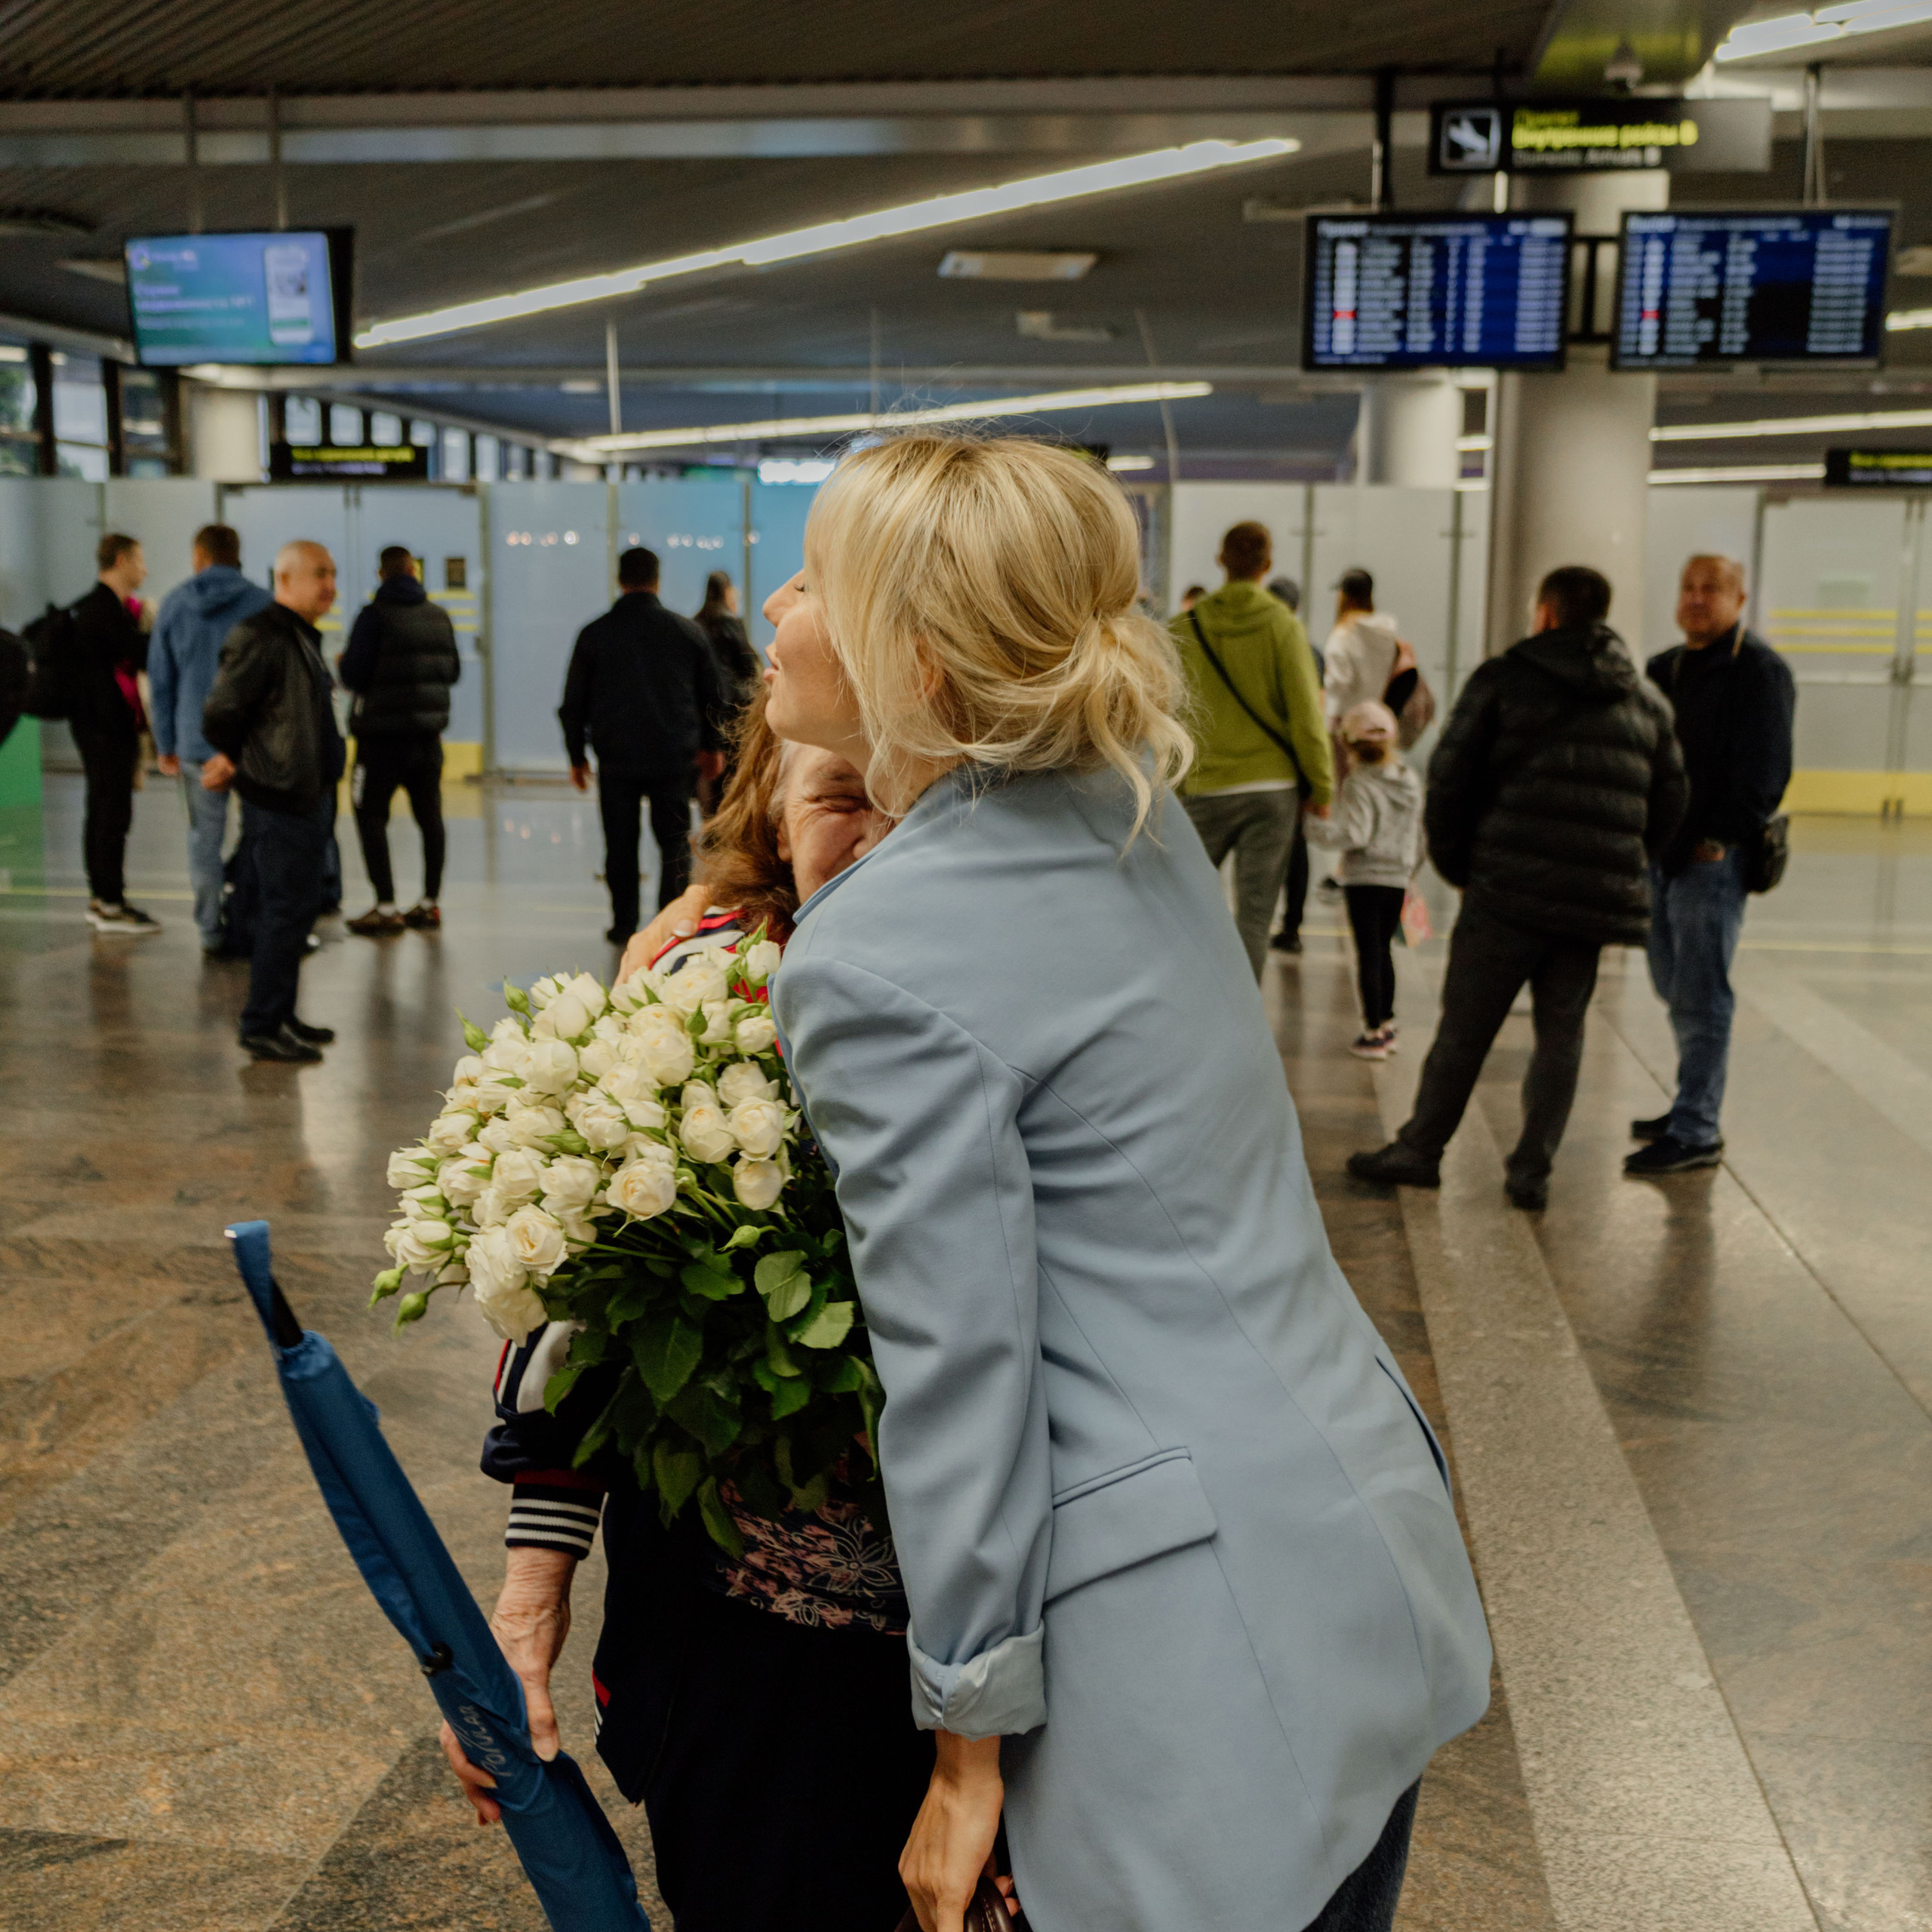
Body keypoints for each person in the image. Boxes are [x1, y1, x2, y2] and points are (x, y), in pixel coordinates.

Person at [764, 435, 1491, 1932]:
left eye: (813, 579)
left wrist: (964, 1742)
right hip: (1351, 1537)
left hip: (1187, 1653)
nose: (776, 604)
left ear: (916, 655)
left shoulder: (875, 953)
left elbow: (960, 1369)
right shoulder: (1128, 808)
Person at [441, 698, 930, 1932]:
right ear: (771, 807)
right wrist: (530, 1602)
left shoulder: (1025, 993)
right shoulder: (694, 982)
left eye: (923, 796)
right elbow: (579, 1322)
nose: (884, 837)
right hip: (749, 1645)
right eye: (841, 796)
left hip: (992, 1648)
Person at [1348, 566, 1687, 1213]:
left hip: (1506, 893)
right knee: (1563, 1034)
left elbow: (1451, 776)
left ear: (1547, 614)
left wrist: (1461, 865)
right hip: (1586, 905)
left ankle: (1421, 1150)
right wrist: (1620, 863)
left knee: (1465, 1028)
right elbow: (1672, 796)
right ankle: (1532, 1169)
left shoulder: (1504, 679)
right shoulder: (1643, 698)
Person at [1626, 554, 1795, 1177]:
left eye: (1712, 589)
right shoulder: (1663, 669)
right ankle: (1688, 1104)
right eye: (1688, 587)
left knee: (1700, 995)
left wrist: (1715, 837)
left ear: (1739, 600)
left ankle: (1697, 1127)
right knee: (1671, 984)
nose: (1697, 599)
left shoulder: (1760, 672)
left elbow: (1765, 774)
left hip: (1711, 861)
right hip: (1660, 856)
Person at [199, 540, 345, 1065]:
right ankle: (261, 1024)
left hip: (306, 796)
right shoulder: (260, 635)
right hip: (279, 799)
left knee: (299, 910)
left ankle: (282, 1014)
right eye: (319, 574)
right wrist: (241, 757)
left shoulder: (298, 635)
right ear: (285, 580)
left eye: (332, 574)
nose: (330, 586)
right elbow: (221, 712)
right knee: (282, 912)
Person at [1171, 519, 1334, 976]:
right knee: (1255, 917)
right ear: (1268, 565)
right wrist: (1321, 787)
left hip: (1204, 787)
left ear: (1220, 561)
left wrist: (1173, 785)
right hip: (1271, 790)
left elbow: (1169, 714)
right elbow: (1306, 716)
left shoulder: (1184, 628)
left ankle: (1189, 1002)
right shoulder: (1283, 627)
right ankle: (1245, 1013)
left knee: (1185, 909)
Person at [558, 546, 728, 943]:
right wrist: (712, 746)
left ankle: (623, 925)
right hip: (673, 757)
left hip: (617, 759)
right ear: (657, 580)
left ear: (620, 580)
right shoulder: (687, 632)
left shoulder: (595, 634)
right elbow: (713, 695)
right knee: (674, 842)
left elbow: (573, 703)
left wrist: (576, 756)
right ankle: (669, 924)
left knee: (620, 844)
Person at [149, 524, 274, 954]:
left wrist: (165, 744)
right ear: (236, 555)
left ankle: (210, 930)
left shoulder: (174, 604)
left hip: (196, 742)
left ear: (199, 556)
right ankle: (254, 919)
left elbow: (161, 682)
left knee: (204, 839)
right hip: (254, 745)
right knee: (261, 835)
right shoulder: (263, 603)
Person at [338, 546, 461, 936]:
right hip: (427, 738)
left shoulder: (373, 616)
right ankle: (429, 903)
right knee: (431, 817)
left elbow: (353, 674)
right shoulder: (439, 616)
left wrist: (344, 664)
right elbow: (453, 672)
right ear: (413, 571)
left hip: (380, 741)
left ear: (381, 575)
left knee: (371, 816)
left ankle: (387, 906)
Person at [1308, 700, 1422, 1062]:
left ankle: (1373, 1033)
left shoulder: (1359, 782)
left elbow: (1356, 834)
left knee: (1368, 954)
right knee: (1384, 951)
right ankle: (1387, 1023)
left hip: (1366, 880)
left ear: (1348, 744)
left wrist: (1313, 827)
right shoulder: (1409, 779)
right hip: (1398, 878)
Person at [71, 533, 159, 934]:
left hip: (100, 724)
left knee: (104, 809)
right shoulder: (103, 609)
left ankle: (104, 897)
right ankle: (109, 902)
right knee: (110, 812)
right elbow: (138, 653)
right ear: (120, 561)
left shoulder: (106, 607)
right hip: (104, 726)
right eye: (139, 561)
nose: (145, 570)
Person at [1324, 568, 1405, 726]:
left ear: (1344, 597)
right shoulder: (1386, 634)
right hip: (1380, 723)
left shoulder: (1343, 636)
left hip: (1348, 725)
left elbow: (1338, 687)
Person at [693, 568, 761, 707]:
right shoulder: (729, 621)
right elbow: (747, 662)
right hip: (730, 697)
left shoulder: (696, 622)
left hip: (702, 695)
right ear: (726, 590)